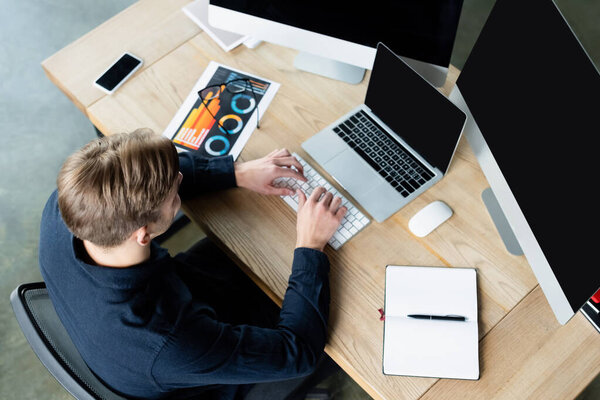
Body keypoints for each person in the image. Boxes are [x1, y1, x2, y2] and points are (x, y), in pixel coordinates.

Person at [39, 128, 347, 399]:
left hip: (178, 298)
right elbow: (298, 352)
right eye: (175, 191)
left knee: (258, 249)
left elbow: (146, 188)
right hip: (201, 363)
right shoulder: (168, 341)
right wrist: (310, 244)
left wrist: (235, 172)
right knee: (345, 340)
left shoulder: (67, 203)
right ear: (143, 235)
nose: (181, 179)